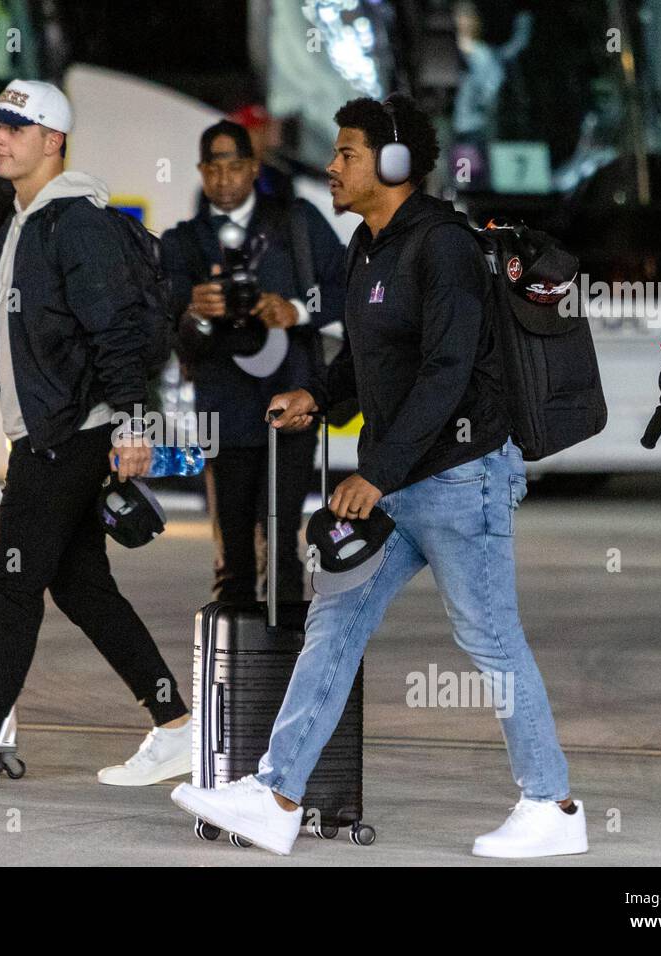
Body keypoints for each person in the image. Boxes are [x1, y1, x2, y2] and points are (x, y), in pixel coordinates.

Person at [171, 94, 585, 858]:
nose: (331, 166)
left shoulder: (446, 248)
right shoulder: (366, 244)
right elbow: (367, 359)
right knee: (334, 623)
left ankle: (553, 806)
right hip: (398, 483)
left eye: (348, 153)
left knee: (490, 640)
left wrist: (377, 473)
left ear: (393, 163)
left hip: (462, 478)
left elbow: (447, 369)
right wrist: (318, 397)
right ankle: (276, 795)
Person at [0, 79, 191, 791]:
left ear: (54, 140)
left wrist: (133, 422)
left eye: (16, 128)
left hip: (70, 435)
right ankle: (176, 725)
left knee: (11, 581)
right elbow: (46, 332)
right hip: (54, 429)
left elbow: (115, 331)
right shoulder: (15, 231)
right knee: (82, 587)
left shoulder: (76, 222)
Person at [161, 119, 344, 603]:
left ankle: (287, 659)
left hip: (292, 401)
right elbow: (156, 318)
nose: (224, 181)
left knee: (284, 539)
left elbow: (347, 285)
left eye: (235, 167)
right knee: (232, 551)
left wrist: (296, 309)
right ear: (201, 172)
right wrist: (194, 310)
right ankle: (232, 661)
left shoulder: (297, 222)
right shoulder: (181, 243)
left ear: (253, 168)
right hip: (222, 407)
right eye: (214, 169)